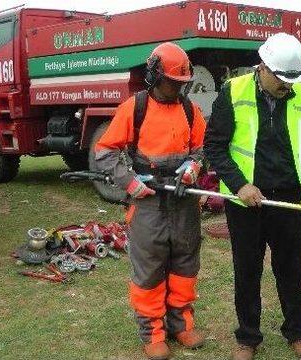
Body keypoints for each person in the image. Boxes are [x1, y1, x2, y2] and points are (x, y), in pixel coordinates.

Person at [204, 33, 301, 360]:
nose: (287, 86)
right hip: (245, 201)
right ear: (263, 67)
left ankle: (297, 332)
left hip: (287, 197)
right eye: (281, 79)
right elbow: (214, 147)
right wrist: (240, 184)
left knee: (291, 269)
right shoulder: (233, 92)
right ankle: (247, 338)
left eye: (292, 79)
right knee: (247, 270)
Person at [94, 42, 206, 360]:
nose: (180, 89)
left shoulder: (190, 110)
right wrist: (129, 183)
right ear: (156, 76)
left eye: (184, 84)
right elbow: (105, 150)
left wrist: (193, 166)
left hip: (184, 201)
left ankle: (181, 324)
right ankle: (153, 333)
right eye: (175, 82)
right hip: (148, 202)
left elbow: (201, 148)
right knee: (150, 268)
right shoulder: (135, 108)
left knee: (185, 263)